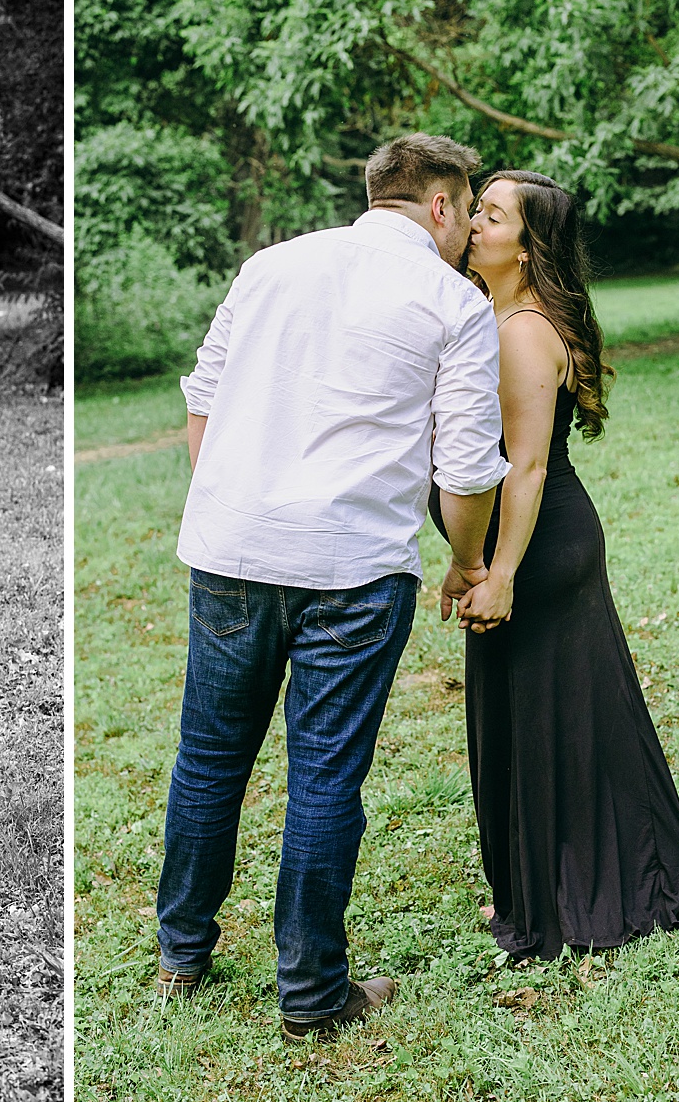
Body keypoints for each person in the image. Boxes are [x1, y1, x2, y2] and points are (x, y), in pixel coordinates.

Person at [157, 134, 511, 1042]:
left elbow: (202, 404)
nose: (471, 228)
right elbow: (468, 471)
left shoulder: (269, 266)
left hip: (232, 553)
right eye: (469, 210)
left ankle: (182, 953)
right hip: (353, 573)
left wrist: (236, 507)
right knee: (324, 777)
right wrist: (470, 564)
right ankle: (311, 992)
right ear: (438, 203)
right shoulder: (453, 303)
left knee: (208, 758)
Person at [431, 170, 679, 958]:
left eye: (491, 214)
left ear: (529, 244)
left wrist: (500, 570)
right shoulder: (497, 312)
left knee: (549, 719)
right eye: (475, 209)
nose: (473, 223)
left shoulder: (520, 330)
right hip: (530, 544)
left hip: (539, 547)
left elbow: (526, 467)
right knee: (558, 714)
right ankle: (585, 875)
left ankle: (578, 894)